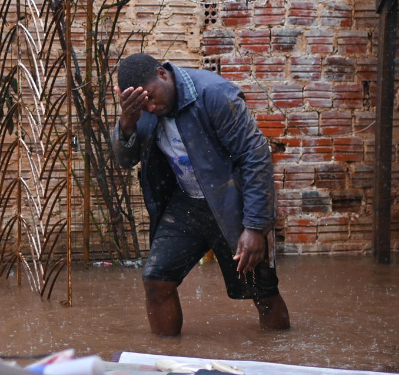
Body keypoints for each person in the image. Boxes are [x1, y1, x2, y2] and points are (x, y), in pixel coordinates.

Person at [111, 53, 290, 336]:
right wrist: (128, 121)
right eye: (143, 103)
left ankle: (281, 360)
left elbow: (255, 157)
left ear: (162, 74)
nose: (152, 107)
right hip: (187, 205)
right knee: (157, 281)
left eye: (153, 98)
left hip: (232, 205)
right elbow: (125, 160)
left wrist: (255, 227)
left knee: (261, 291)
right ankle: (167, 362)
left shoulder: (215, 94)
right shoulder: (140, 109)